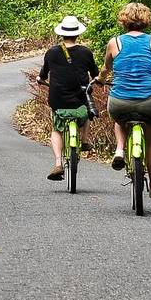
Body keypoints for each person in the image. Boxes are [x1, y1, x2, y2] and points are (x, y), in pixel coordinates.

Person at [99, 2, 151, 197]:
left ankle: (119, 149)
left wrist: (100, 80)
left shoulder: (114, 42)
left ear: (123, 20)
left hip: (120, 100)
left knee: (119, 119)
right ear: (146, 20)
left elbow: (106, 69)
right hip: (149, 100)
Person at [36, 15, 98, 181]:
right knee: (86, 110)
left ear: (61, 34)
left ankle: (58, 163)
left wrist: (40, 80)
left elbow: (42, 75)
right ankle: (84, 140)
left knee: (56, 129)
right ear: (78, 34)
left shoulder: (52, 52)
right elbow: (95, 75)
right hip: (79, 97)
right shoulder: (86, 52)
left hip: (58, 99)